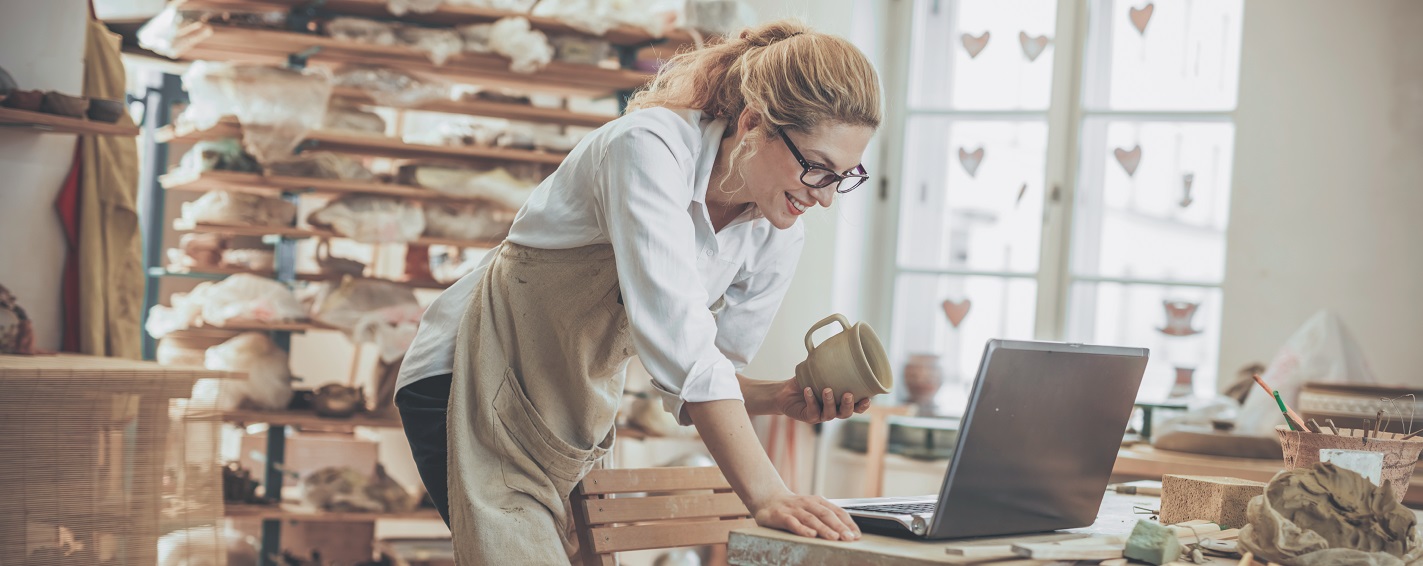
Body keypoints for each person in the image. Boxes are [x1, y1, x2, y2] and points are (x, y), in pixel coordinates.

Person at [394, 19, 883, 563]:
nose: (825, 197)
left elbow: (706, 374)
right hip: (464, 378)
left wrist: (778, 397)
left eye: (843, 176)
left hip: (567, 414)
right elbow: (685, 352)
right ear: (753, 123)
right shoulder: (647, 147)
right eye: (817, 168)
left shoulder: (776, 227)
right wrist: (767, 494)